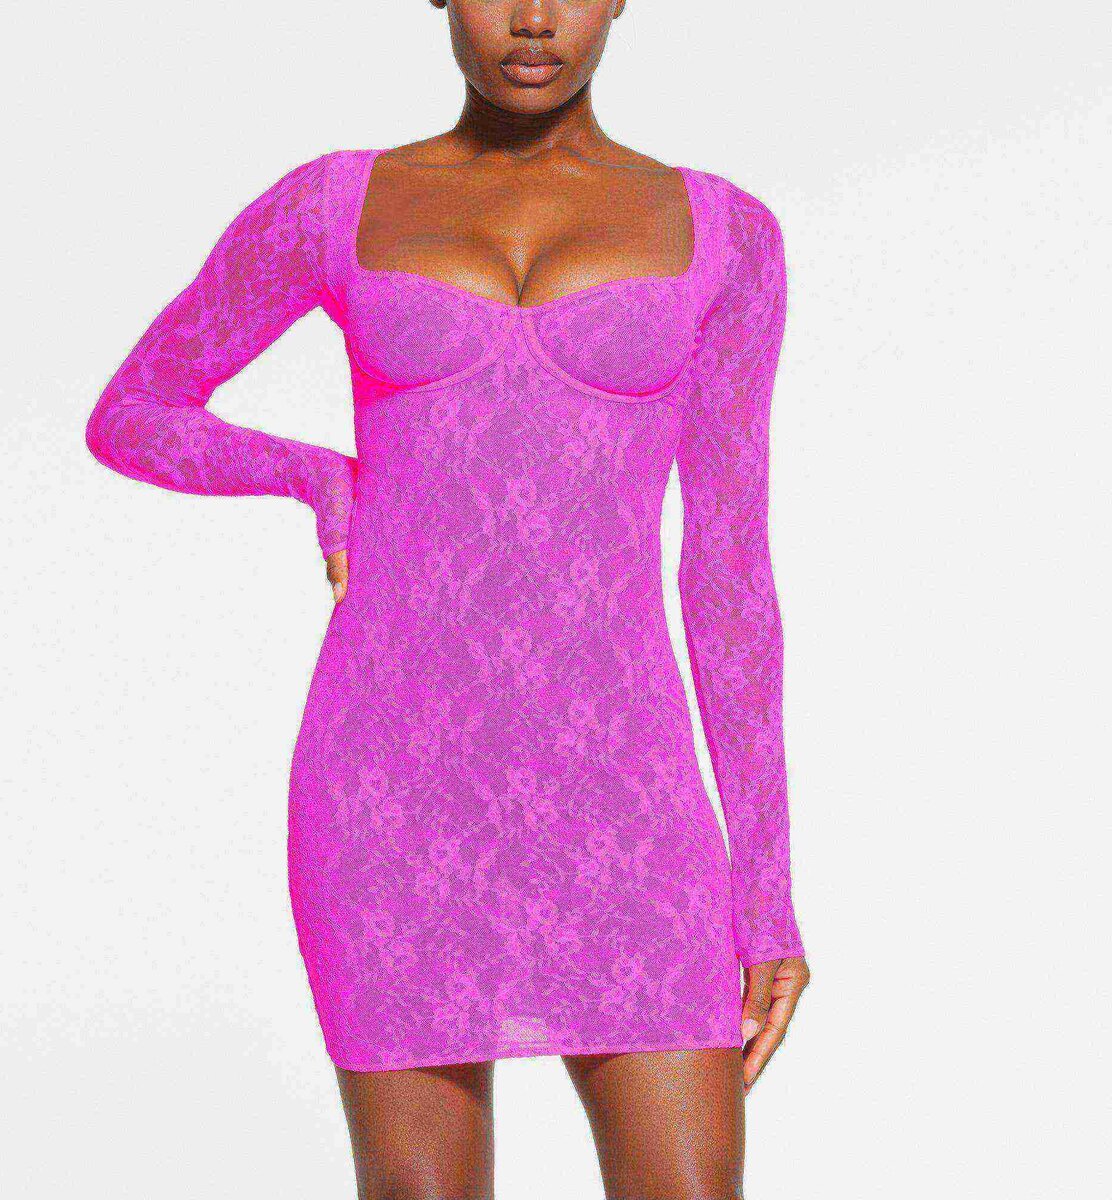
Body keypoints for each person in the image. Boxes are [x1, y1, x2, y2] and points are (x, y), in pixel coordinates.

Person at [85, 1, 811, 1195]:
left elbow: (728, 571)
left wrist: (765, 891)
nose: (533, 18)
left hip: (626, 797)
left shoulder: (727, 234)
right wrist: (316, 476)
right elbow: (135, 411)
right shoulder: (334, 204)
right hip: (391, 788)